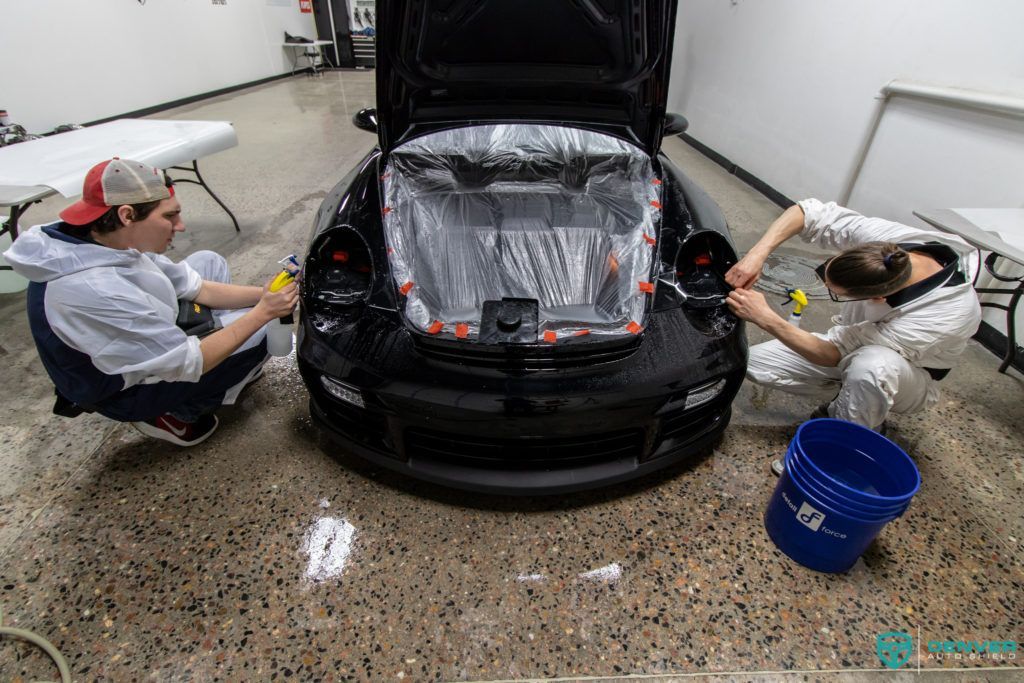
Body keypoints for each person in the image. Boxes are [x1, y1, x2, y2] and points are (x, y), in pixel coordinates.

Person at [3, 158, 298, 446]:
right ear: (127, 215)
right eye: (169, 216)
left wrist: (265, 294)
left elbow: (197, 288)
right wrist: (264, 312)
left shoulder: (100, 237)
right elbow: (191, 361)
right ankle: (175, 414)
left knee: (209, 262)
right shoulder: (94, 289)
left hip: (140, 331)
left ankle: (228, 359)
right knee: (262, 333)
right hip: (122, 388)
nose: (180, 226)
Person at [724, 199, 981, 444]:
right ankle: (855, 399)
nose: (827, 288)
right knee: (749, 361)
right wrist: (758, 254)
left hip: (908, 376)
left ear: (878, 298)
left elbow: (831, 354)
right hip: (853, 343)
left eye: (836, 294)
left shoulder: (947, 312)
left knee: (872, 367)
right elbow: (806, 212)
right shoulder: (886, 249)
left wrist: (764, 317)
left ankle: (841, 444)